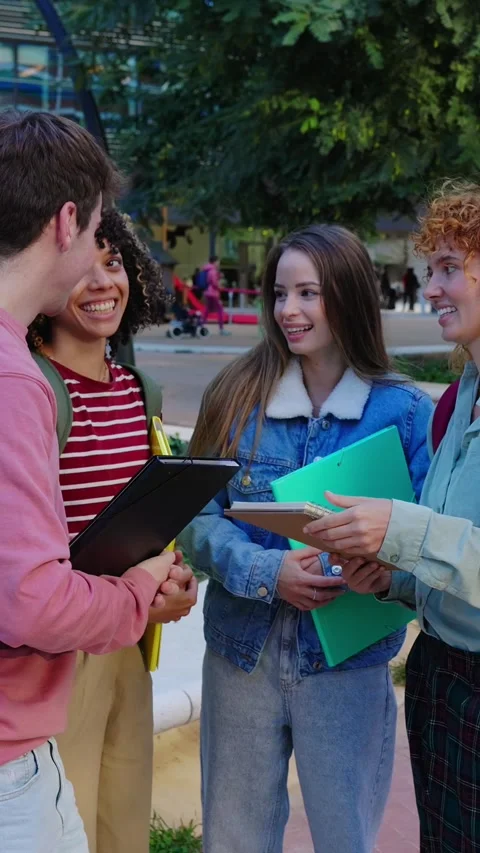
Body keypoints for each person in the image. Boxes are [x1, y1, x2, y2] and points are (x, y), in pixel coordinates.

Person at [178, 223, 433, 853]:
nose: (288, 311)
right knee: (233, 840)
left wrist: (390, 576)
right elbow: (197, 518)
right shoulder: (236, 397)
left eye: (309, 293)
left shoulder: (404, 412)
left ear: (347, 297)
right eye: (280, 293)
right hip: (242, 658)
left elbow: (431, 541)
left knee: (346, 838)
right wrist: (270, 574)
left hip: (348, 667)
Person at [0, 109, 182, 853]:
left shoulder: (130, 389)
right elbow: (31, 601)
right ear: (68, 220)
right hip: (23, 726)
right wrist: (138, 590)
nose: (105, 273)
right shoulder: (19, 381)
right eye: (99, 235)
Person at [302, 181, 480, 852]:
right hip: (440, 677)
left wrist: (399, 530)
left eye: (446, 269)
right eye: (429, 268)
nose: (429, 287)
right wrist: (388, 576)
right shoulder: (460, 394)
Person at [27, 208, 199, 853]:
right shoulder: (31, 389)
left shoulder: (139, 391)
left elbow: (148, 520)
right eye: (82, 265)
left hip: (129, 637)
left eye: (115, 262)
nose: (103, 282)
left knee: (125, 812)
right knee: (64, 814)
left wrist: (173, 578)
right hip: (56, 650)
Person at [202, 255, 230, 334]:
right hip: (213, 293)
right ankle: (221, 329)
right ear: (215, 262)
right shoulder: (213, 271)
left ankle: (200, 325)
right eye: (218, 262)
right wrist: (220, 284)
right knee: (220, 310)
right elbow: (214, 283)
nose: (218, 263)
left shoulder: (207, 270)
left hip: (208, 292)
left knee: (207, 310)